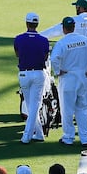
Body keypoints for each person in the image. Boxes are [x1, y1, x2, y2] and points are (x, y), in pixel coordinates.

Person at [48, 16, 87, 146]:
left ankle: (68, 137)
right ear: (74, 26)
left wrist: (57, 71)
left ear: (64, 28)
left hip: (68, 78)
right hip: (82, 78)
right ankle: (86, 138)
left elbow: (54, 58)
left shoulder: (62, 43)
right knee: (82, 109)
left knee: (67, 109)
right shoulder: (85, 40)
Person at [16, 12, 52, 144]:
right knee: (34, 106)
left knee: (32, 105)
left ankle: (27, 136)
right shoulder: (44, 40)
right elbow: (45, 57)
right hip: (39, 74)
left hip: (24, 74)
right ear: (37, 24)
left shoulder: (19, 38)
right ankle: (39, 134)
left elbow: (17, 54)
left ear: (27, 23)